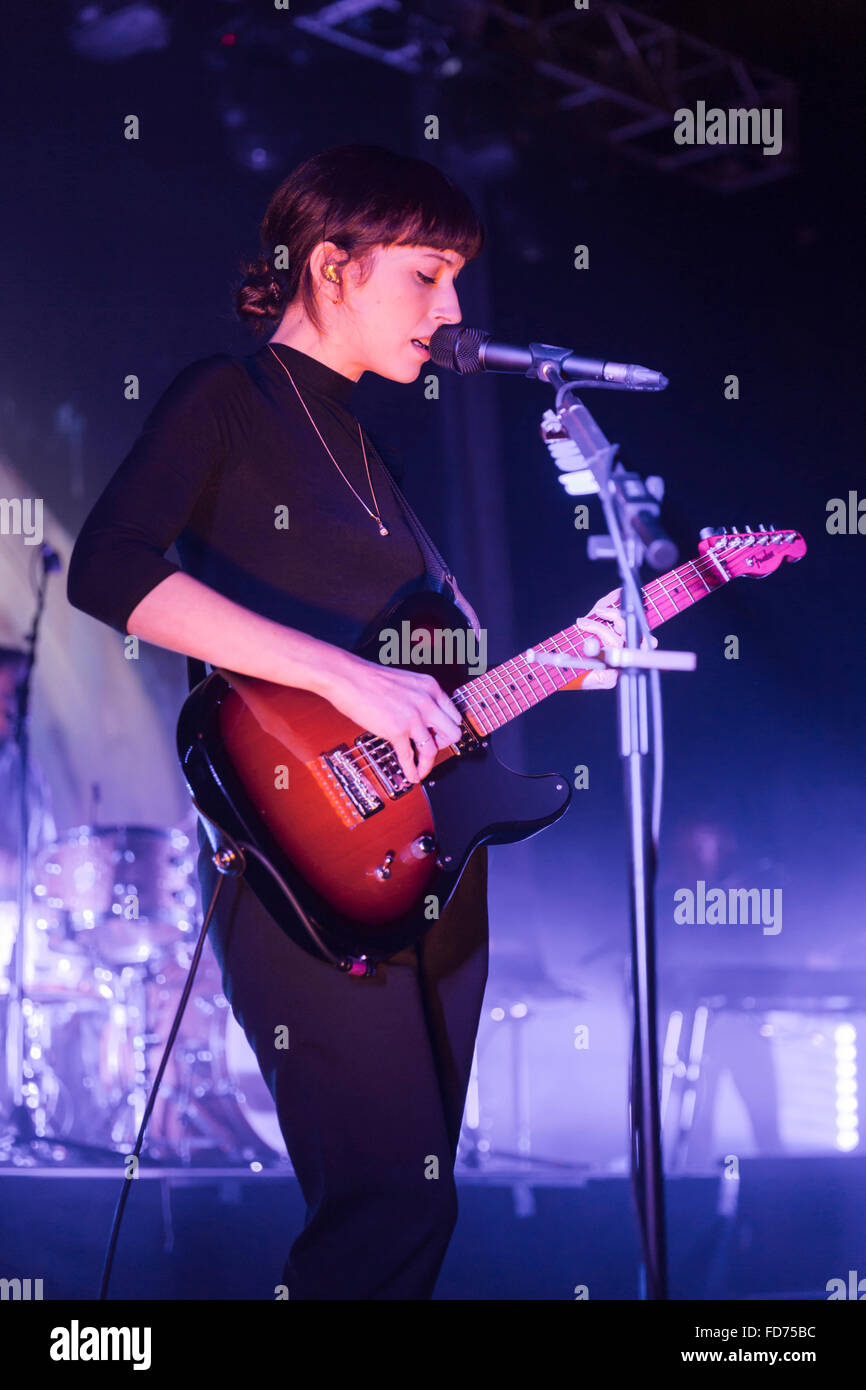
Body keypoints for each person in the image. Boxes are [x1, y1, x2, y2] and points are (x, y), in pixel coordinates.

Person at [67, 143, 627, 1299]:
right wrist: (342, 678)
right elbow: (106, 567)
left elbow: (429, 679)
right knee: (388, 1205)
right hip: (296, 867)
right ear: (332, 266)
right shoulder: (227, 399)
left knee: (418, 1210)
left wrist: (560, 666)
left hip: (429, 859)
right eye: (428, 274)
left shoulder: (376, 451)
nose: (453, 308)